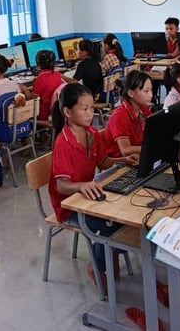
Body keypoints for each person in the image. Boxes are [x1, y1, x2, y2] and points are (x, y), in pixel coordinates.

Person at [48, 83, 137, 290]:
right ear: (67, 112)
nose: (90, 113)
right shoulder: (63, 142)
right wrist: (81, 186)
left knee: (120, 216)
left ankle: (109, 255)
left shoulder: (92, 133)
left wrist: (123, 160)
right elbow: (61, 185)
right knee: (109, 224)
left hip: (88, 195)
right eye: (85, 109)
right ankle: (96, 267)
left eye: (92, 108)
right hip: (68, 205)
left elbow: (103, 162)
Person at [105, 70, 152, 158]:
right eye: (146, 91)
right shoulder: (119, 116)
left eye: (151, 90)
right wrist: (152, 148)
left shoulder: (143, 109)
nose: (151, 95)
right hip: (119, 161)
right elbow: (125, 151)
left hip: (138, 156)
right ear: (131, 93)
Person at [32, 49, 64, 121]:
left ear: (38, 64)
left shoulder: (40, 79)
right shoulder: (58, 74)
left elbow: (33, 98)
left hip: (44, 115)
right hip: (57, 112)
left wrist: (25, 90)